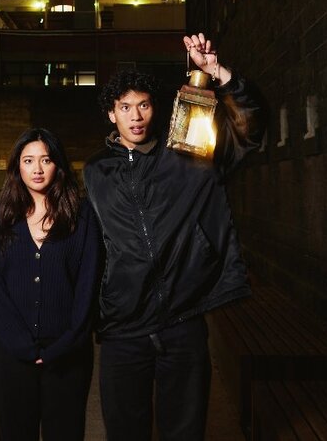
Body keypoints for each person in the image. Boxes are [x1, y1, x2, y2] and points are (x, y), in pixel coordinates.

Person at [83, 33, 267, 441]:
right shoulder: (95, 173)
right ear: (111, 114)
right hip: (123, 330)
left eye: (143, 105)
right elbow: (90, 246)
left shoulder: (187, 153)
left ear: (155, 109)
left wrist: (216, 73)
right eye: (125, 107)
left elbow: (250, 131)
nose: (136, 116)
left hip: (182, 322)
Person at [0, 127, 101, 441]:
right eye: (28, 160)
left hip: (68, 355)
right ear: (17, 166)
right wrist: (21, 345)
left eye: (46, 160)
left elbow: (88, 286)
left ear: (58, 164)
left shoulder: (81, 217)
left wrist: (65, 344)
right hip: (11, 355)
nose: (37, 169)